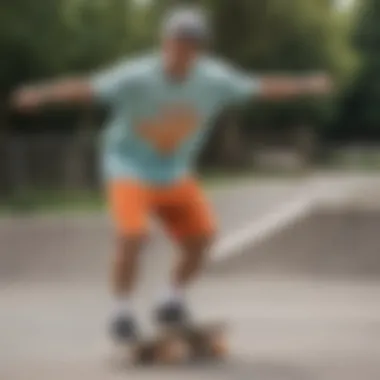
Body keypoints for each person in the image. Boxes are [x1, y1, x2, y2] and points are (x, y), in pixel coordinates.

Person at [12, 5, 331, 345]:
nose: (184, 52)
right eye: (178, 43)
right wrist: (41, 94)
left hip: (174, 171)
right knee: (132, 236)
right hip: (127, 166)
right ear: (164, 42)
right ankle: (121, 312)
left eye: (192, 45)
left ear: (200, 49)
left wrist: (305, 84)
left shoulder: (214, 79)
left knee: (203, 239)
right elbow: (87, 89)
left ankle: (170, 300)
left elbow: (260, 87)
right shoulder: (135, 76)